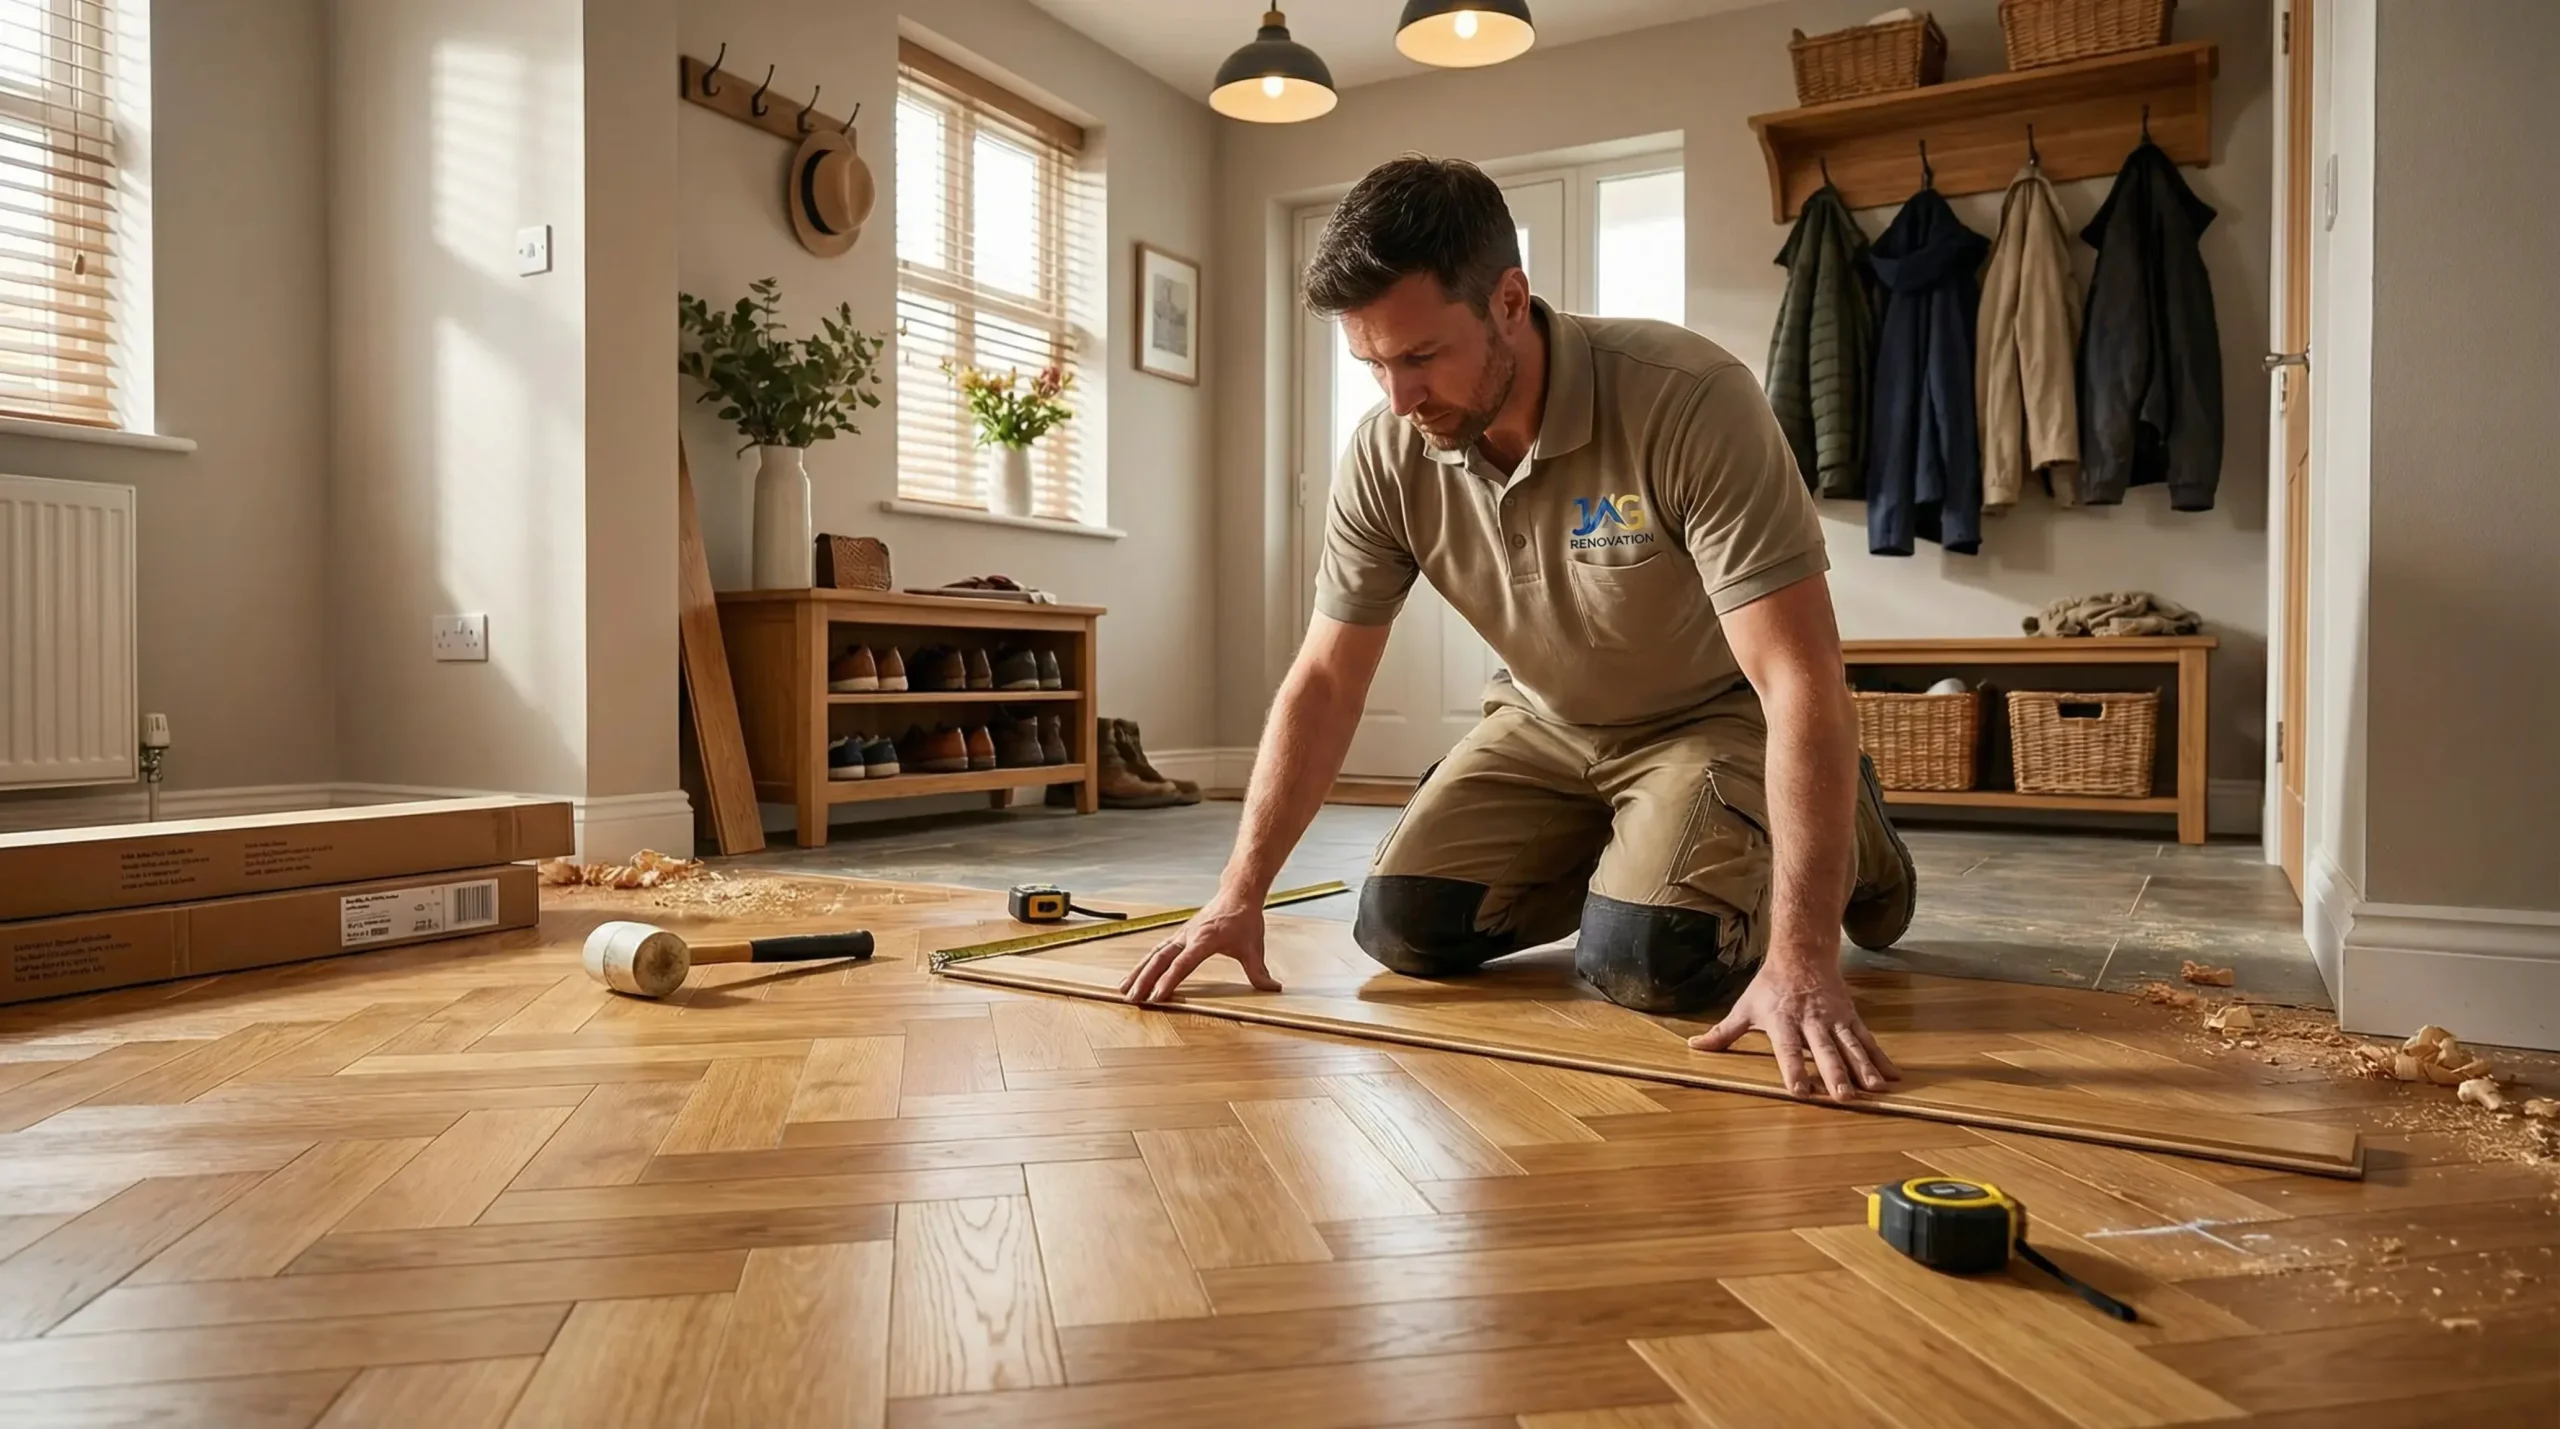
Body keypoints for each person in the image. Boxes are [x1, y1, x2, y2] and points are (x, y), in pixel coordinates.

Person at [1118, 155, 1916, 1103]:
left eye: (1418, 356)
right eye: (1369, 363)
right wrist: (1238, 892)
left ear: (1508, 300)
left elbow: (1799, 677)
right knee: (1407, 928)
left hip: (1710, 719)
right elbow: (1326, 680)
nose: (1397, 397)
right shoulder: (1390, 450)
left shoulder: (1689, 399)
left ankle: (1847, 830)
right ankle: (1649, 845)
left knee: (1653, 961)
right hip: (1541, 726)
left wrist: (1805, 956)